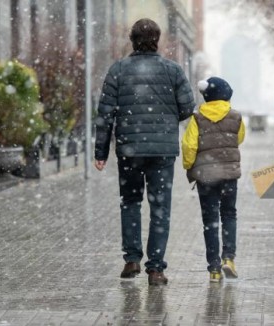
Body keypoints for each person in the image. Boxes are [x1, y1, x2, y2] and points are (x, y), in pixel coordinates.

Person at [94, 18, 195, 286]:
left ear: (132, 39)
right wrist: (167, 118)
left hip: (129, 150)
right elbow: (187, 107)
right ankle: (156, 269)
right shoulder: (173, 71)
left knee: (130, 202)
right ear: (157, 39)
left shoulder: (117, 71)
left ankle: (131, 259)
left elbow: (104, 115)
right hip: (162, 151)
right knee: (160, 207)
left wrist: (100, 152)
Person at [182, 77, 245, 282]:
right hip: (229, 175)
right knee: (228, 214)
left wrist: (189, 165)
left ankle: (214, 269)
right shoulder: (235, 116)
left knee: (210, 221)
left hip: (206, 177)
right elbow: (239, 138)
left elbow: (189, 146)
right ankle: (229, 258)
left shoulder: (197, 118)